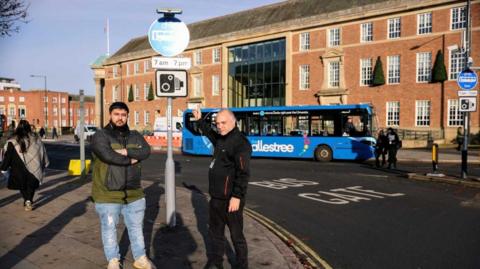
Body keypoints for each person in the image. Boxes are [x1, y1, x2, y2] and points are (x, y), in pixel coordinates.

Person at [90, 102, 152, 269]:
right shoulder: (101, 136)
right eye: (116, 114)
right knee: (109, 228)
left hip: (134, 193)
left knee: (136, 228)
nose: (120, 118)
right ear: (110, 115)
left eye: (123, 115)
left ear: (127, 116)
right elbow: (107, 155)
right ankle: (113, 260)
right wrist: (131, 159)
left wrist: (126, 152)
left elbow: (146, 151)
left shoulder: (135, 135)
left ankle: (140, 258)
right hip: (107, 193)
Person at [192, 107, 252, 269]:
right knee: (215, 234)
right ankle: (216, 262)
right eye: (217, 123)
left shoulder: (240, 143)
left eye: (223, 123)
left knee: (236, 236)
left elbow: (243, 173)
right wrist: (199, 121)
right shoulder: (221, 138)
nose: (220, 126)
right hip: (216, 198)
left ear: (234, 122)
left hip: (231, 200)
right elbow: (209, 133)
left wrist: (237, 197)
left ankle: (241, 265)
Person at [0, 120, 49, 211]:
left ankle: (27, 200)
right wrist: (44, 162)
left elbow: (9, 155)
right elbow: (42, 151)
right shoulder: (36, 139)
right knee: (31, 184)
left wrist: (4, 166)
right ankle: (29, 200)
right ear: (29, 127)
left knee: (22, 185)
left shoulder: (13, 140)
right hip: (34, 167)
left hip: (18, 168)